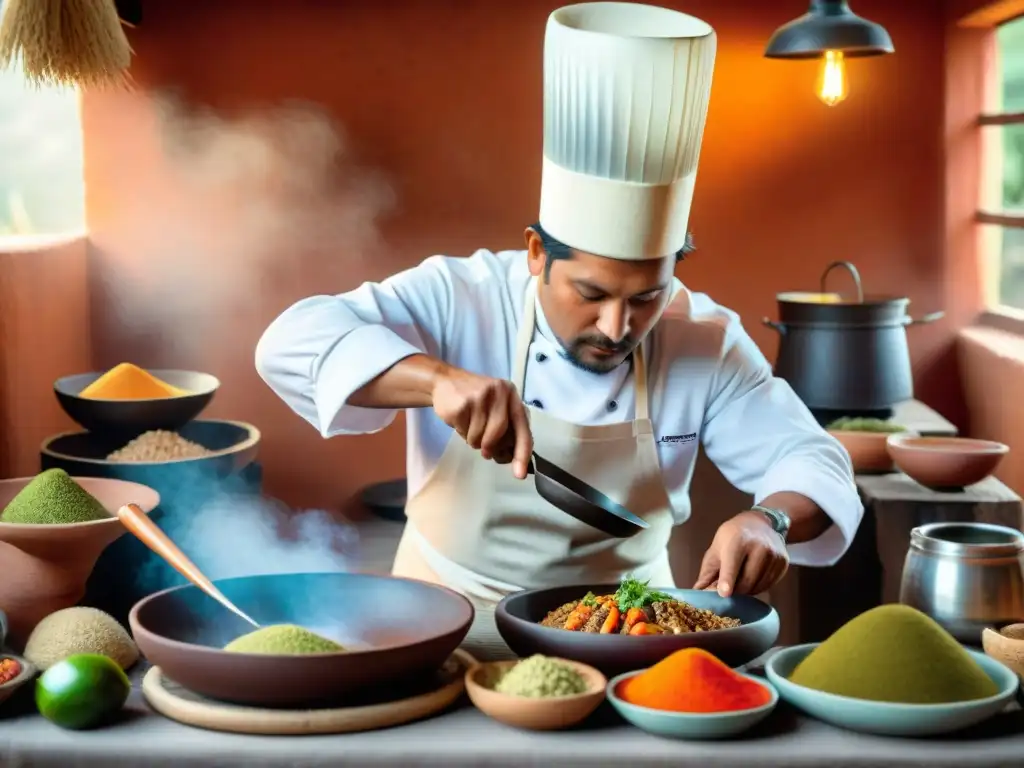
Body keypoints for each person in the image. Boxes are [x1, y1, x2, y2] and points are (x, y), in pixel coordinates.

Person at [256, 2, 862, 659]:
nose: (616, 326)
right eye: (592, 293)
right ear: (536, 254)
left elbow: (813, 458)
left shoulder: (704, 338)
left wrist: (766, 519)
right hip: (445, 632)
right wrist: (435, 379)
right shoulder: (461, 296)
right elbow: (291, 341)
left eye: (646, 298)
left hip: (631, 643)